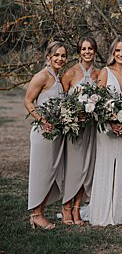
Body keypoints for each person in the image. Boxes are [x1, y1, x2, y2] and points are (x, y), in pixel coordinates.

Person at [90, 36, 122, 226]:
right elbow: (97, 102)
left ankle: (121, 211)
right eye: (117, 51)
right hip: (107, 130)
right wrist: (112, 122)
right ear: (112, 52)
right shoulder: (104, 72)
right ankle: (103, 210)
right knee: (105, 166)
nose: (120, 54)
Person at [24, 41, 68, 229]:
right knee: (40, 173)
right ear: (48, 56)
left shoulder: (59, 78)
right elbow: (28, 102)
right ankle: (36, 214)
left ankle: (39, 211)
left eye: (63, 55)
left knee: (51, 173)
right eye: (56, 55)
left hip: (55, 134)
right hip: (43, 133)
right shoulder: (41, 76)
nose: (60, 58)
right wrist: (43, 121)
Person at [62, 36, 101, 226]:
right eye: (84, 49)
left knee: (86, 169)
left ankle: (77, 208)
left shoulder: (99, 74)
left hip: (91, 130)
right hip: (74, 130)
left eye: (91, 49)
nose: (87, 52)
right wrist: (72, 116)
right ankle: (66, 206)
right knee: (73, 169)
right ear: (79, 52)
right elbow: (61, 104)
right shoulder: (69, 73)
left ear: (95, 51)